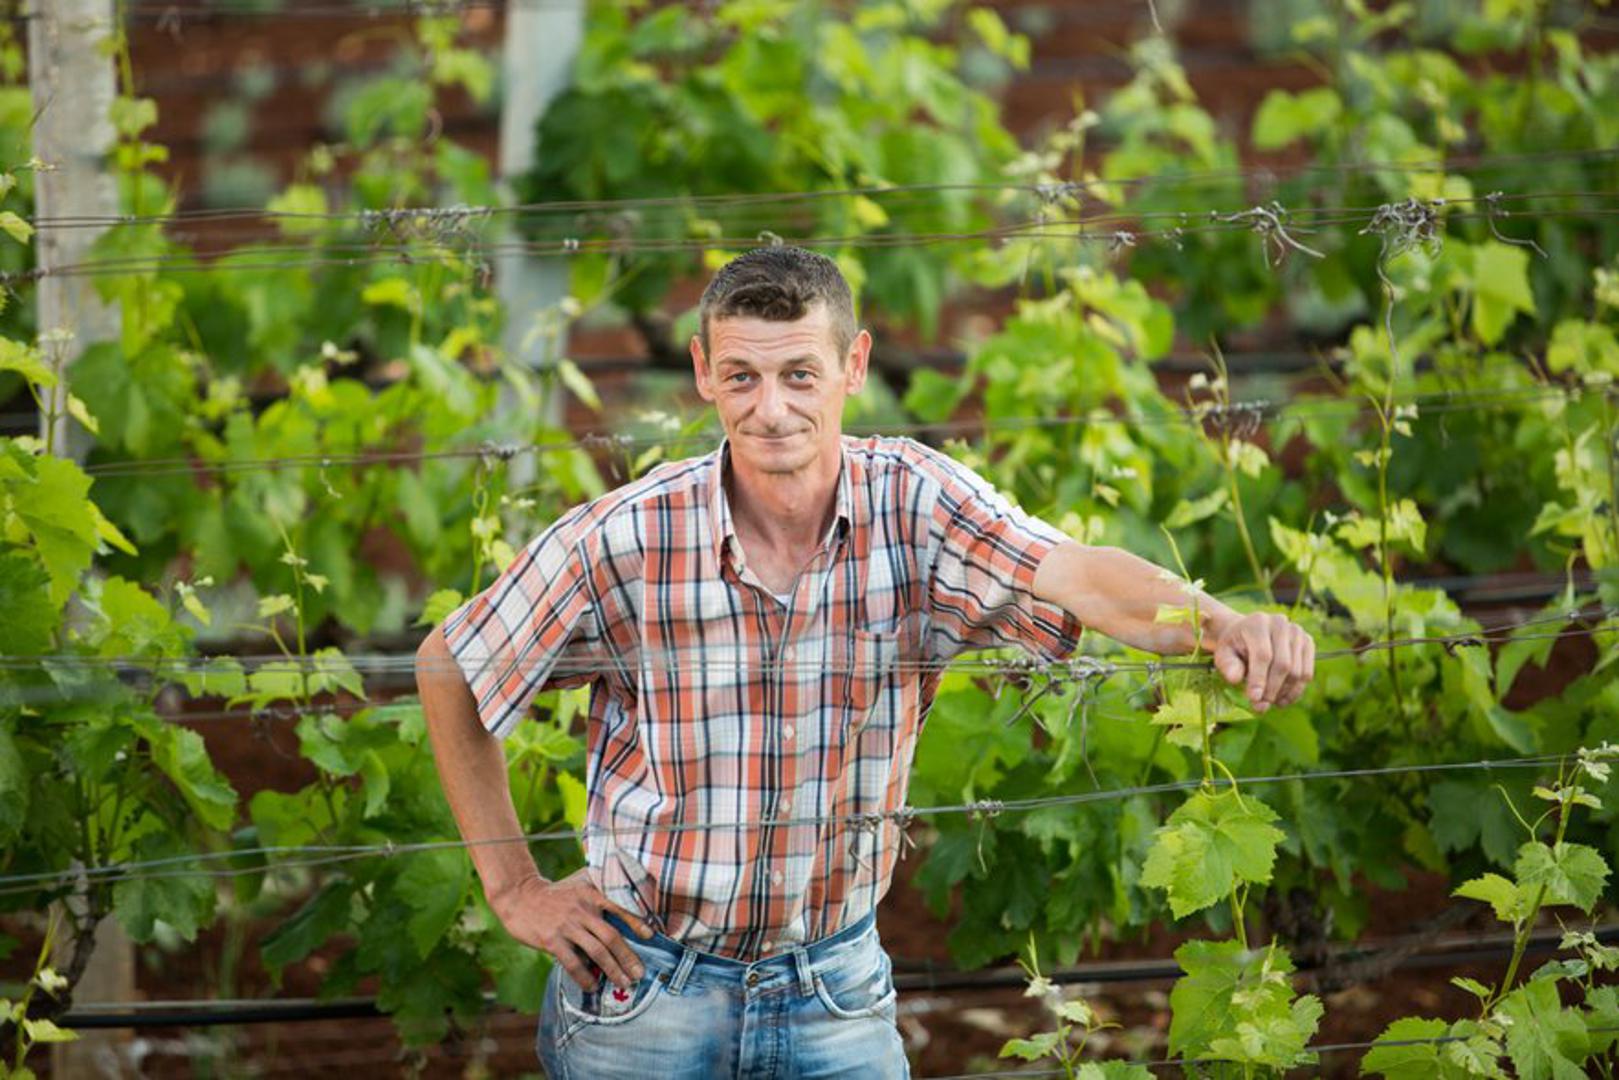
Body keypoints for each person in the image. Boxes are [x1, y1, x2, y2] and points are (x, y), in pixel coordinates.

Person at [414, 246, 1315, 1078]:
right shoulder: (629, 537)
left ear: (854, 365)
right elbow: (451, 662)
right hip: (646, 990)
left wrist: (1220, 625)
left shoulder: (916, 505)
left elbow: (1076, 572)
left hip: (834, 990)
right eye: (742, 376)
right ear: (702, 373)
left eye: (799, 374)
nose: (771, 409)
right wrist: (514, 886)